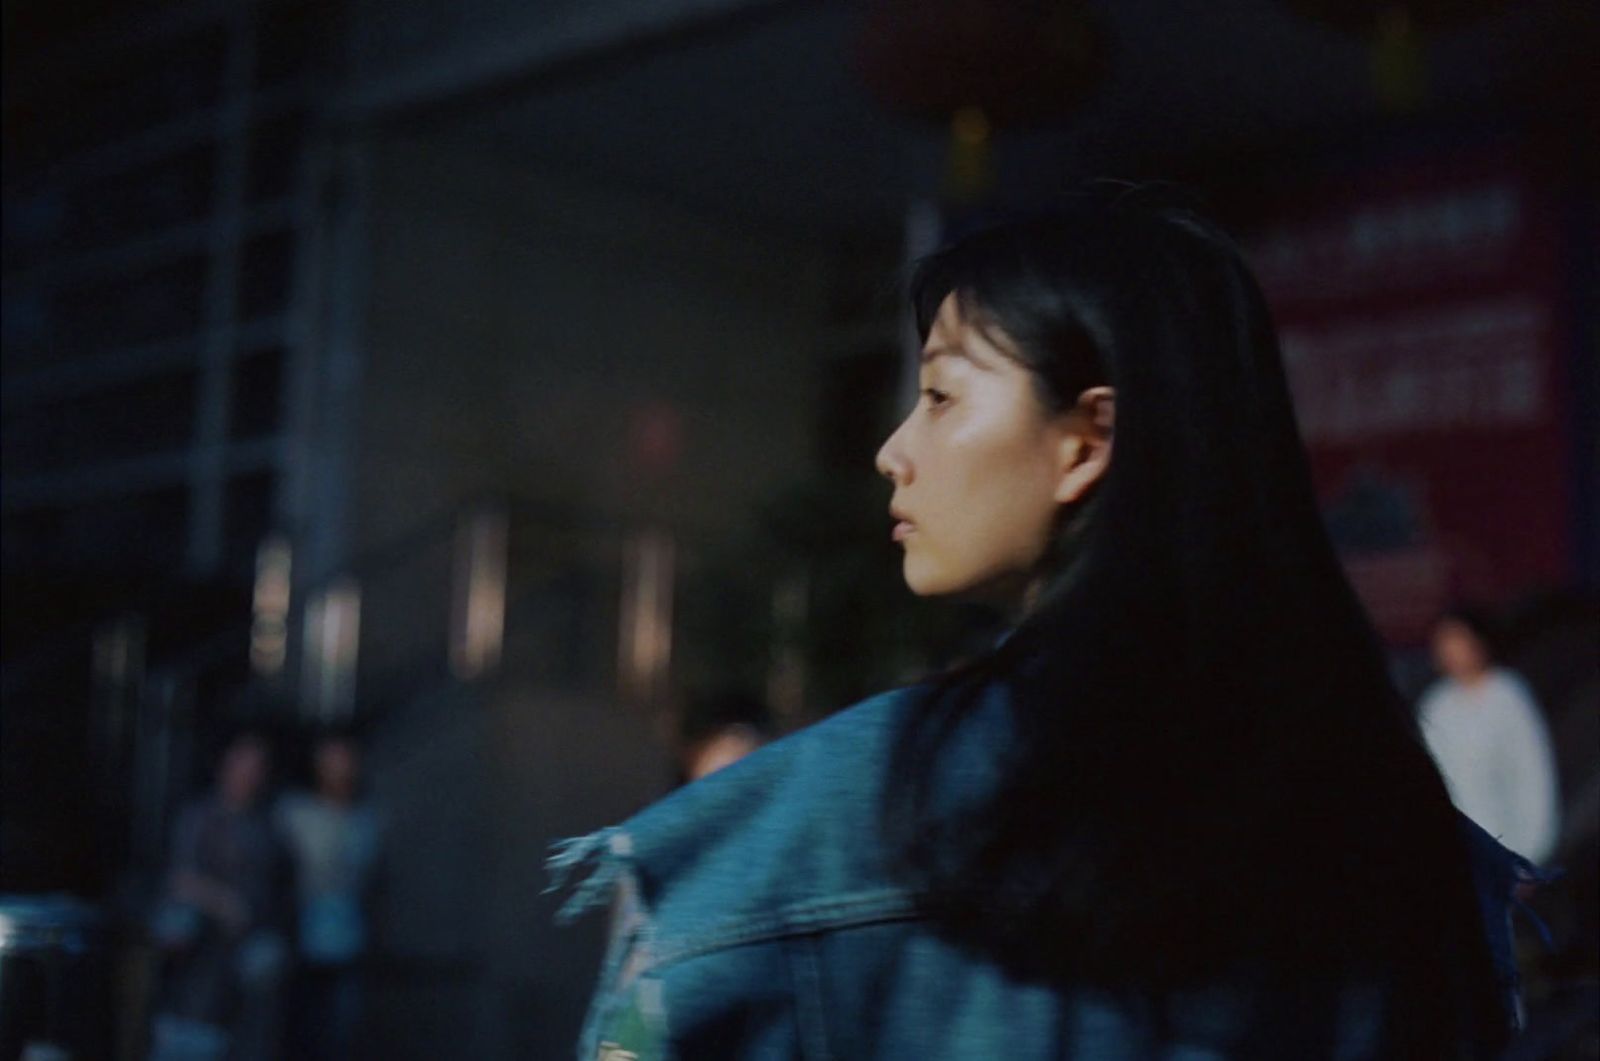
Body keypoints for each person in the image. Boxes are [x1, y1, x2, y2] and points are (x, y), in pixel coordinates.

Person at [550, 190, 1535, 1058]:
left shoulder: (821, 822)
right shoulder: (1420, 861)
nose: (895, 449)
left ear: (1087, 438)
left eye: (938, 394)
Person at [149, 731, 289, 1061]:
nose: (248, 773)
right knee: (180, 926)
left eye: (257, 766)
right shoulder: (199, 817)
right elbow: (180, 879)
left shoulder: (266, 825)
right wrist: (224, 903)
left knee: (267, 963)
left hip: (248, 942)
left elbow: (277, 891)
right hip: (198, 940)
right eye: (242, 763)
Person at [1419, 608, 1561, 863]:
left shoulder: (1507, 695)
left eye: (1457, 640)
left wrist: (1531, 852)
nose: (1450, 651)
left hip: (1512, 845)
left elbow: (1532, 775)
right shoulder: (1436, 704)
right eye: (1444, 642)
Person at [276, 731, 384, 1061]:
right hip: (298, 941)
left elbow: (374, 884)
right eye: (329, 761)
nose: (337, 769)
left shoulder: (368, 821)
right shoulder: (294, 813)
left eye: (344, 761)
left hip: (349, 942)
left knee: (339, 1033)